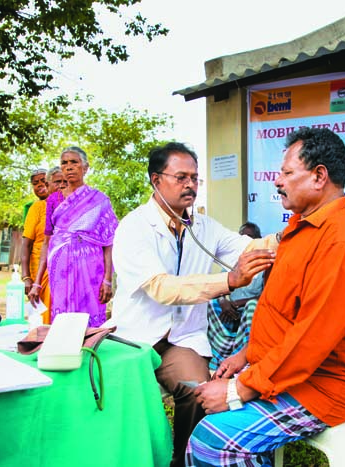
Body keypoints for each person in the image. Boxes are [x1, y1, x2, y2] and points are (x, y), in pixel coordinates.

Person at [186, 127, 345, 467]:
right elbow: (282, 312)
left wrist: (239, 389)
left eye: (288, 173)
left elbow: (311, 338)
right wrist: (246, 356)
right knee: (206, 407)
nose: (278, 181)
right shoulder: (298, 228)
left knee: (212, 440)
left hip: (327, 383)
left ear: (320, 176)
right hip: (290, 370)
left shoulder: (340, 243)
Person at [106, 142, 276, 467]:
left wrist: (290, 236)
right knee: (123, 408)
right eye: (181, 177)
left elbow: (247, 248)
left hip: (179, 340)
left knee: (199, 391)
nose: (191, 185)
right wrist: (227, 281)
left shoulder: (203, 226)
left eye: (195, 178)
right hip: (135, 341)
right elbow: (161, 288)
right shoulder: (134, 227)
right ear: (156, 180)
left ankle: (184, 459)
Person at [28, 147, 118, 327]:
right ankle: (65, 351)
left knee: (90, 315)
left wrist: (108, 279)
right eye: (64, 163)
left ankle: (91, 350)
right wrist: (37, 282)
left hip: (91, 267)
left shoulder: (99, 200)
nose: (69, 167)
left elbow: (109, 243)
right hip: (60, 267)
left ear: (85, 167)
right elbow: (47, 242)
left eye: (74, 162)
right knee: (63, 317)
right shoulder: (54, 200)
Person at [207, 222, 265, 371]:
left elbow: (267, 296)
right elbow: (217, 288)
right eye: (242, 238)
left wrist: (239, 303)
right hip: (229, 311)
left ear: (258, 239)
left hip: (252, 312)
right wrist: (223, 302)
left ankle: (243, 357)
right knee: (211, 302)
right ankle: (219, 355)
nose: (245, 244)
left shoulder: (265, 266)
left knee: (253, 305)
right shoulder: (230, 263)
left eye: (250, 238)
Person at [21, 167, 66, 323]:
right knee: (43, 317)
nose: (61, 185)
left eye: (64, 182)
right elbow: (26, 244)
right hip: (41, 269)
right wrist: (27, 278)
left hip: (65, 268)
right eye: (36, 183)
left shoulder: (72, 207)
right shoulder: (38, 208)